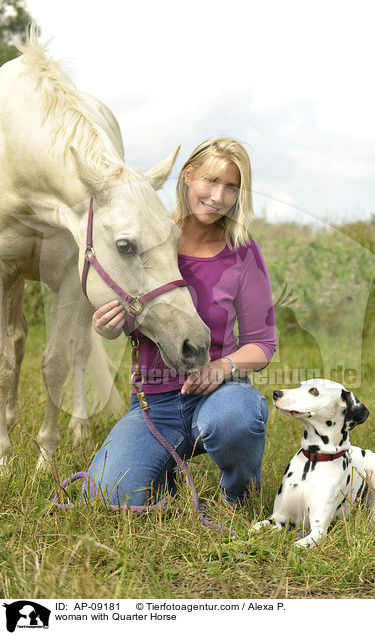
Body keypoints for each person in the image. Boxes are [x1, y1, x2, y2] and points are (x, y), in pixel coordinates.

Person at [87, 137, 276, 507]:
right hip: (153, 401)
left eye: (231, 187)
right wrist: (112, 325)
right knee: (105, 496)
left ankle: (238, 494)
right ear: (187, 176)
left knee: (236, 420)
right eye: (210, 181)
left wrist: (222, 367)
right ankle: (164, 475)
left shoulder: (243, 253)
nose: (218, 196)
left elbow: (263, 344)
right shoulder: (148, 237)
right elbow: (135, 312)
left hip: (220, 393)